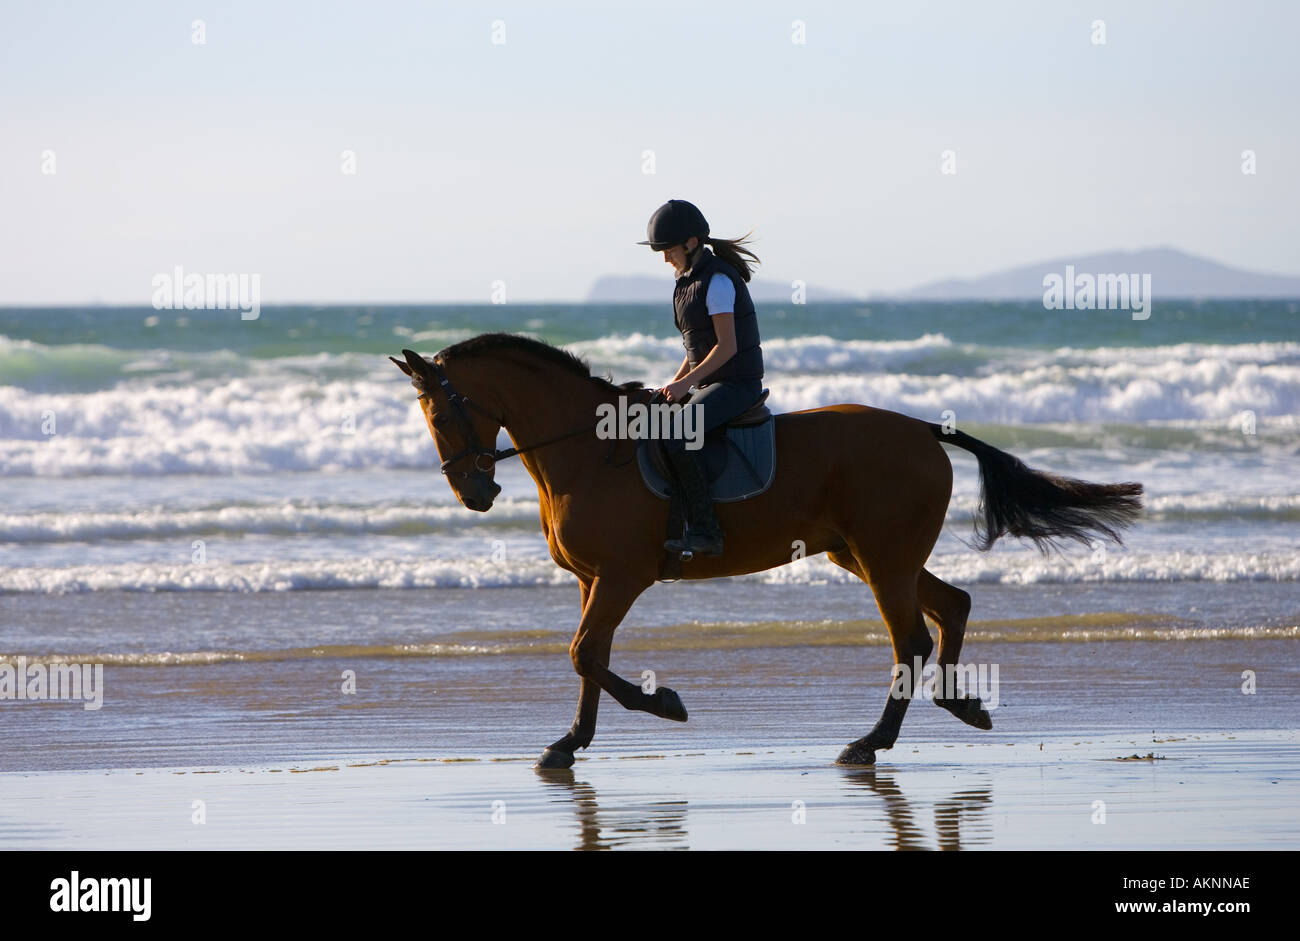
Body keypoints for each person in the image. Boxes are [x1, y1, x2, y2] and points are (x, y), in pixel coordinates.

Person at [637, 199, 765, 558]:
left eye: (668, 250)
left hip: (737, 383)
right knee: (653, 422)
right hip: (711, 382)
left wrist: (685, 385)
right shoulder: (687, 282)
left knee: (678, 433)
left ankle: (708, 531)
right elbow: (695, 349)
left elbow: (725, 349)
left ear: (691, 243)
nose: (664, 259)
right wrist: (672, 384)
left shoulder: (718, 281)